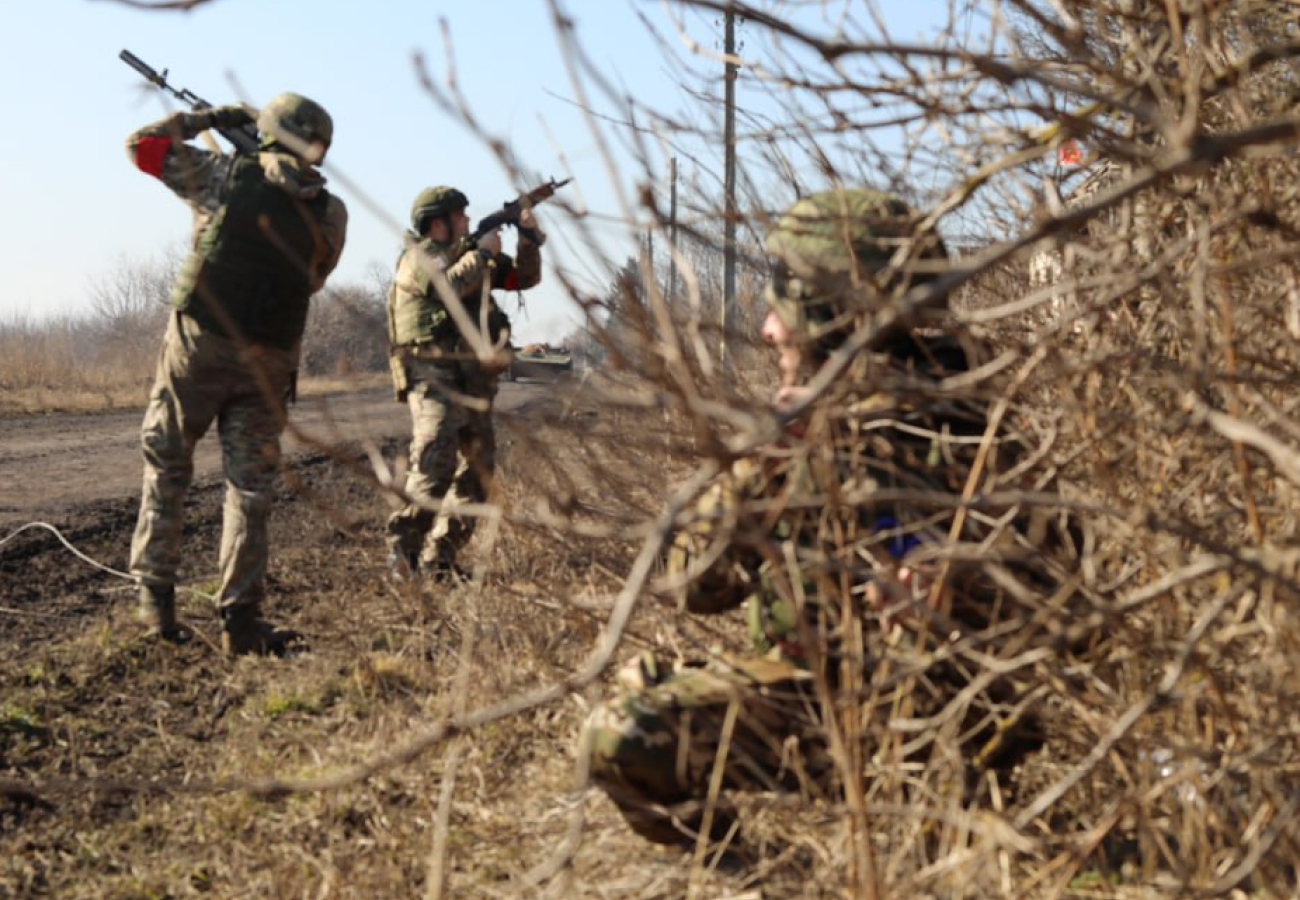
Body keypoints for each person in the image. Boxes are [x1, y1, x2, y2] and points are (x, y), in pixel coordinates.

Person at [581, 188, 1071, 845]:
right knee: (638, 704)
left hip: (939, 735)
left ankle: (905, 832)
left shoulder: (972, 430)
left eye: (783, 306)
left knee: (621, 732)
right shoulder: (970, 412)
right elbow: (695, 585)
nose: (768, 329)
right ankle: (752, 872)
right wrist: (763, 465)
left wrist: (953, 588)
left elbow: (1066, 604)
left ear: (827, 313)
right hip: (834, 715)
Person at [126, 93, 348, 654]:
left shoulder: (222, 173)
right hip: (269, 357)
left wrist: (211, 118)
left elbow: (141, 146)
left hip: (199, 344)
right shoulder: (331, 211)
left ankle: (155, 606)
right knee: (250, 490)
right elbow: (314, 279)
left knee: (168, 466)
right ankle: (240, 622)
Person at [384, 186, 544, 581]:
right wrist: (483, 253)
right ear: (438, 222)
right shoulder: (420, 257)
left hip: (472, 379)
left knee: (479, 471)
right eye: (461, 215)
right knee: (434, 464)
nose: (468, 221)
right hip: (433, 376)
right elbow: (447, 288)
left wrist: (527, 237)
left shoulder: (469, 256)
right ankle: (403, 554)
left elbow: (525, 277)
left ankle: (440, 559)